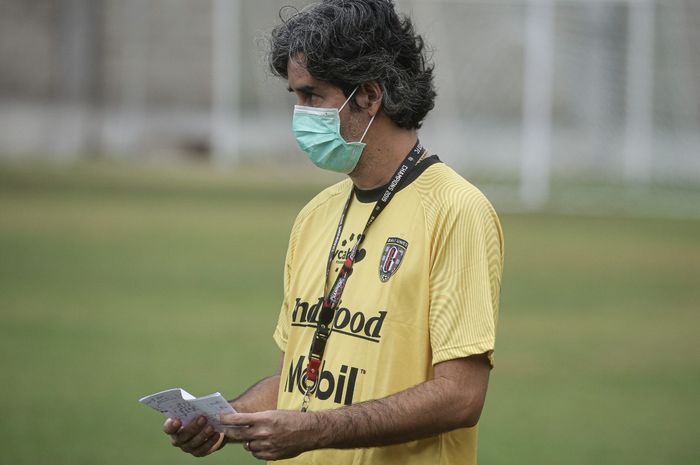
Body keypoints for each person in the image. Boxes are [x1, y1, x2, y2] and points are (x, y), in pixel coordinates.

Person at [162, 1, 504, 463]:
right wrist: (228, 420)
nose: (300, 115)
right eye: (295, 97)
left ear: (368, 95)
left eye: (312, 96)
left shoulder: (456, 211)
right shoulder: (314, 217)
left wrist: (315, 430)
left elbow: (461, 396)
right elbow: (298, 379)